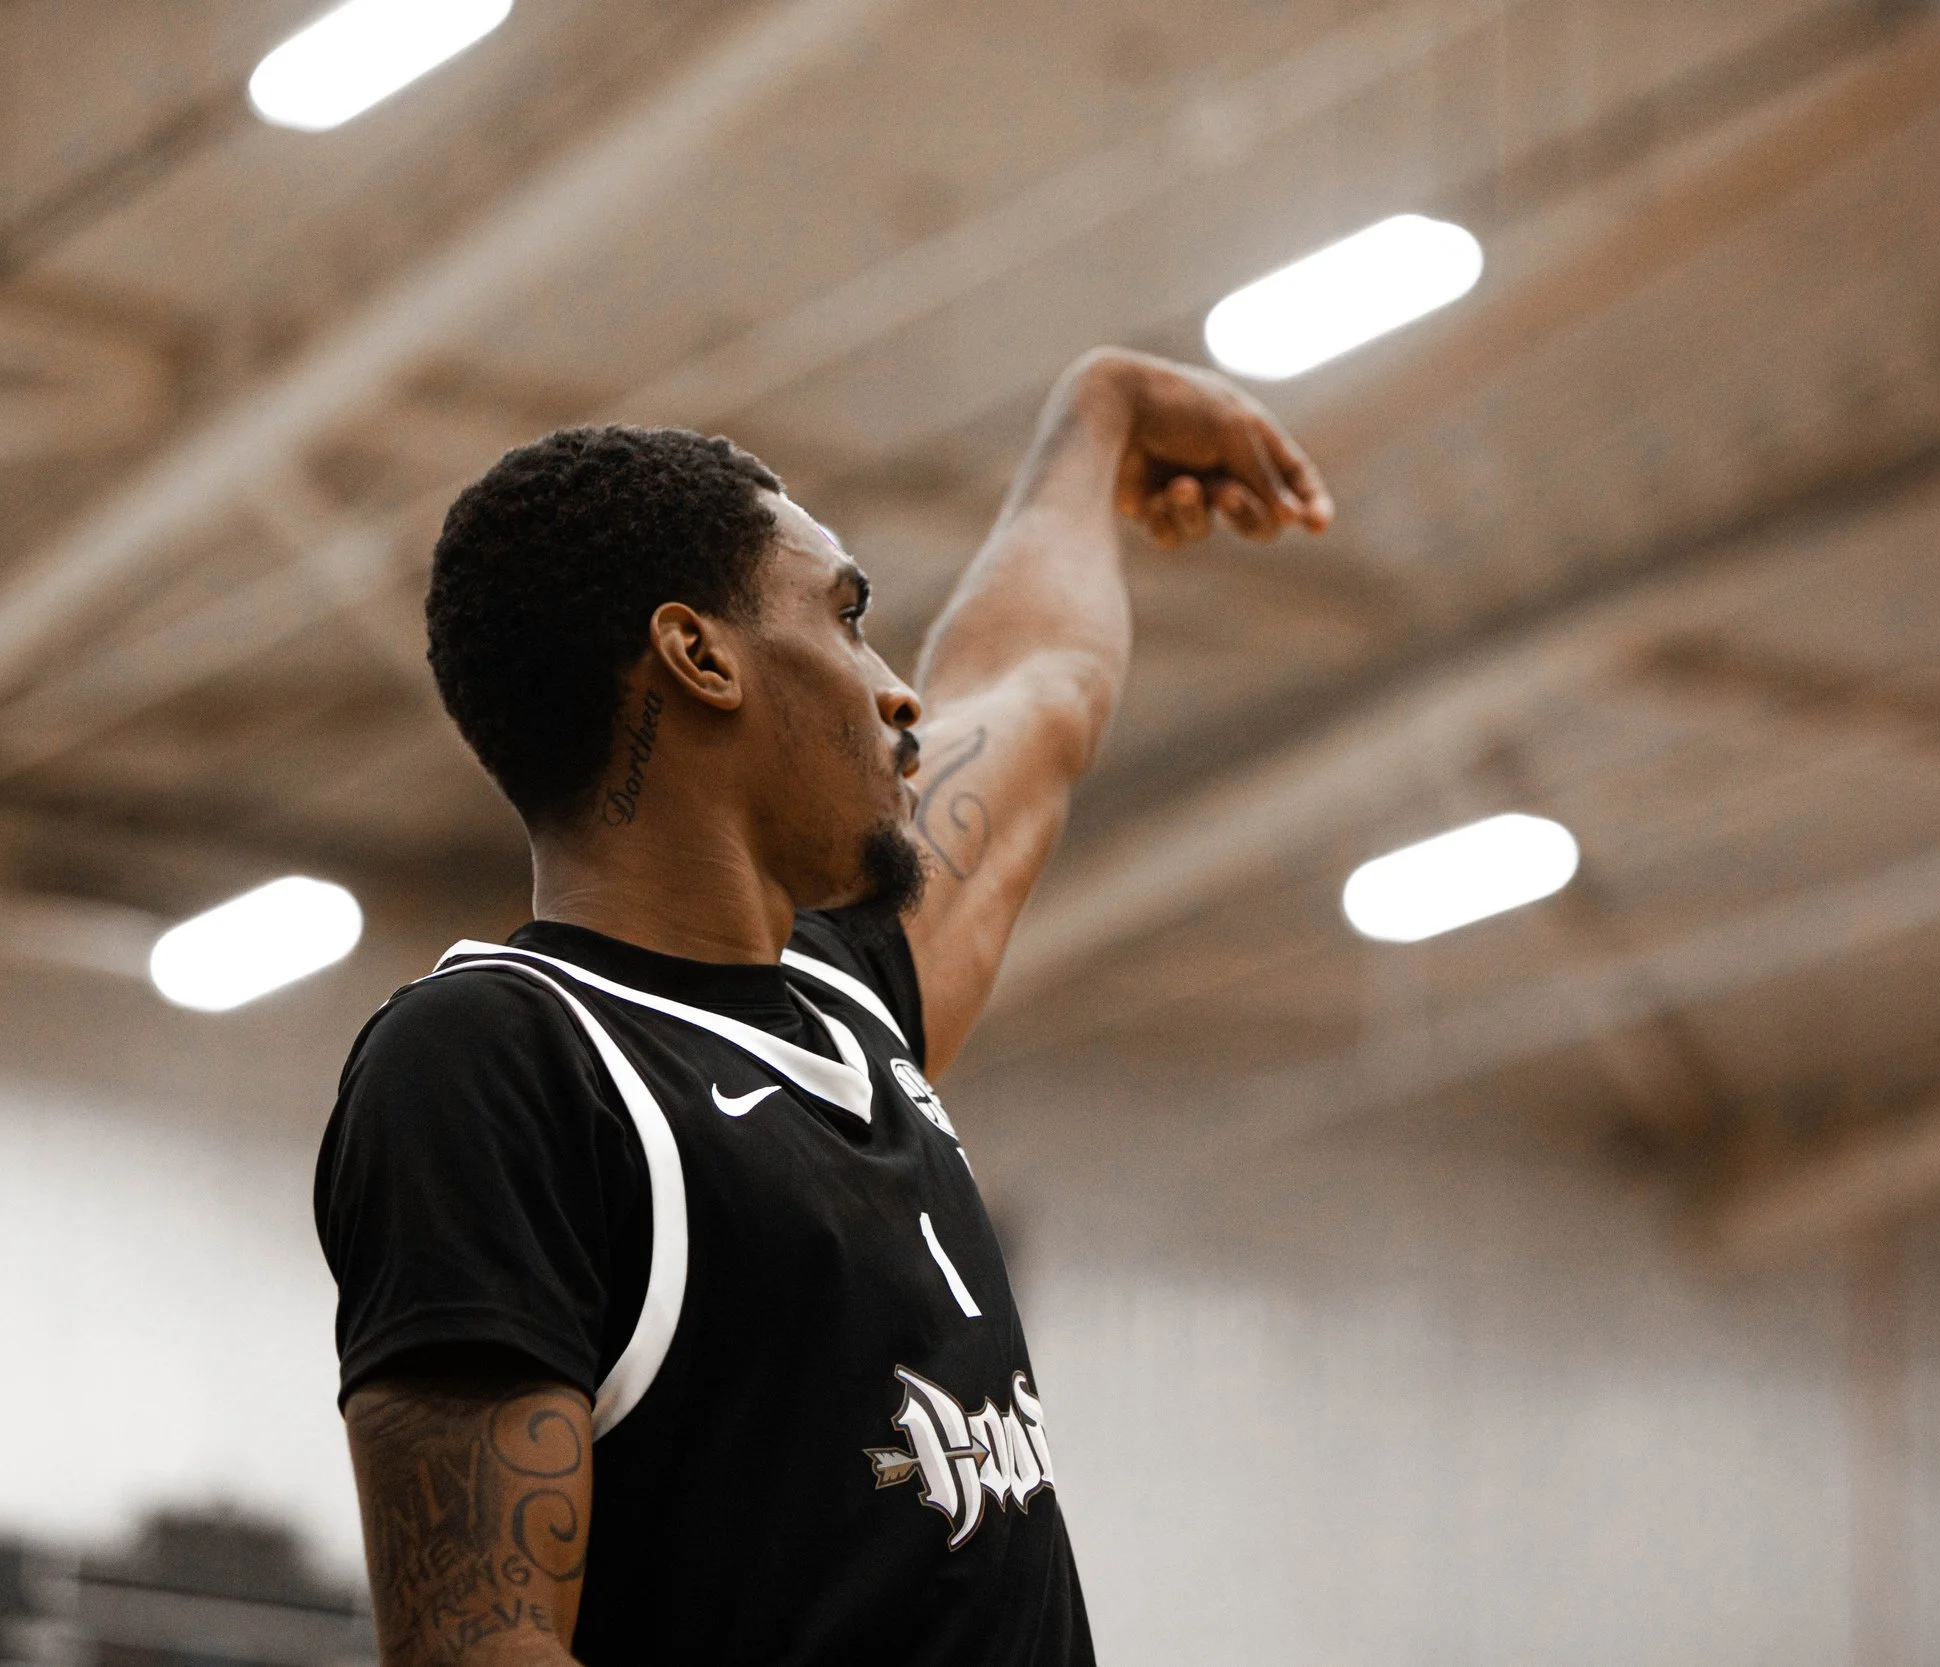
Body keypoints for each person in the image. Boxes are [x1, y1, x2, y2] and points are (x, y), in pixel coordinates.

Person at [314, 347, 1332, 1667]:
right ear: (699, 655)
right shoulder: (500, 1058)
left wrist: (1102, 414)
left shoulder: (849, 1000)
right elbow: (476, 1647)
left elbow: (1040, 686)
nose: (898, 689)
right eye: (848, 618)